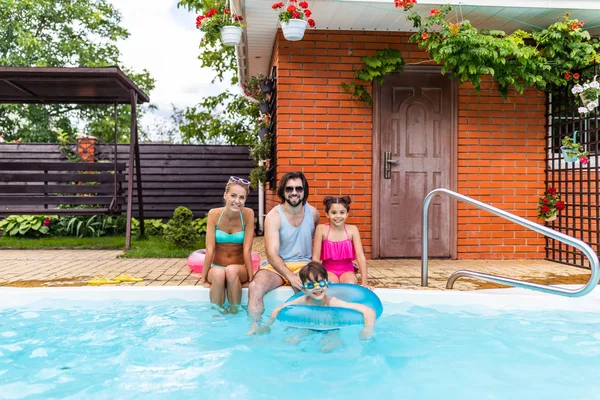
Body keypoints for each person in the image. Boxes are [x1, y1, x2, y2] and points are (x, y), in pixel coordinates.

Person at [247, 172, 319, 332]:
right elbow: (272, 254)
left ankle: (301, 329)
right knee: (255, 287)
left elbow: (320, 241)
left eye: (299, 188)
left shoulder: (313, 213)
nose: (294, 192)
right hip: (276, 266)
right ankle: (255, 326)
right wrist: (290, 276)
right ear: (283, 191)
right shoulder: (274, 216)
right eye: (289, 189)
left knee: (309, 289)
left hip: (304, 265)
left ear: (305, 190)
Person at [256, 261, 376, 340]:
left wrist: (367, 330)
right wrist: (267, 326)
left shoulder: (332, 302)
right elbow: (280, 308)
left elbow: (368, 311)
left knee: (329, 347)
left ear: (327, 285)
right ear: (303, 289)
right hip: (310, 327)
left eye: (321, 283)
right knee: (291, 340)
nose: (317, 287)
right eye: (311, 285)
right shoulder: (304, 299)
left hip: (331, 329)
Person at [200, 176, 255, 313]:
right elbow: (210, 249)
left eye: (242, 197)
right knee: (219, 274)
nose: (237, 201)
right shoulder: (214, 214)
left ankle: (234, 311)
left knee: (231, 270)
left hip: (238, 269)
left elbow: (247, 250)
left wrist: (251, 278)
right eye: (233, 196)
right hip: (216, 266)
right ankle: (216, 315)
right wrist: (204, 278)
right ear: (225, 196)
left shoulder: (248, 214)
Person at [312, 196, 369, 288]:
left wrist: (364, 282)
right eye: (334, 212)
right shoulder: (321, 229)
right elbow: (315, 257)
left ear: (347, 214)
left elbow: (360, 256)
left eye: (342, 212)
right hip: (328, 270)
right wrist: (316, 279)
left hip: (347, 270)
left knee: (349, 284)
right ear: (327, 214)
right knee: (331, 284)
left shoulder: (353, 230)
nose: (338, 216)